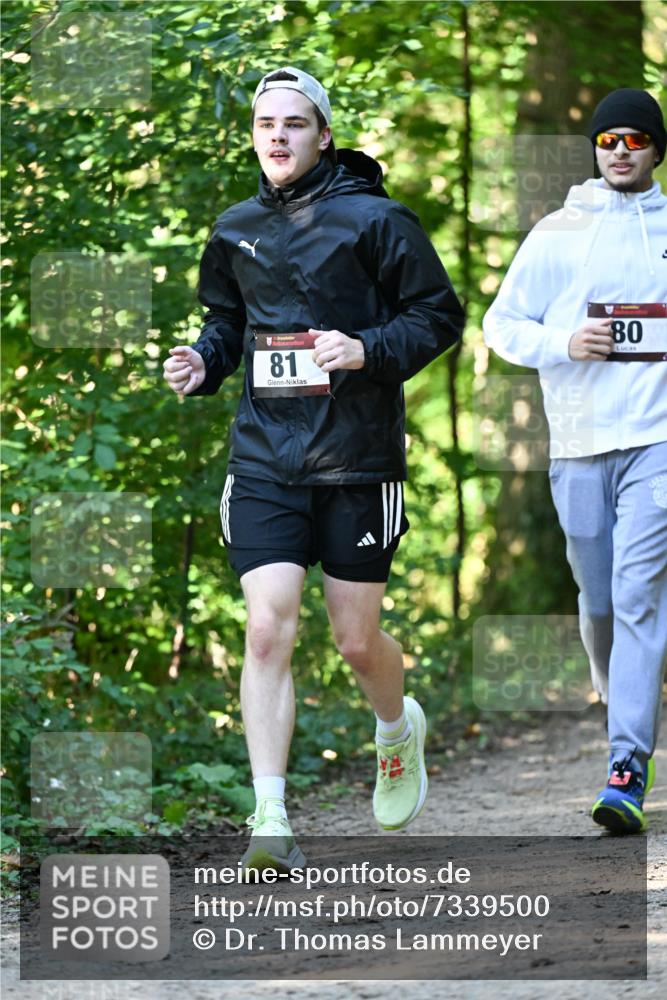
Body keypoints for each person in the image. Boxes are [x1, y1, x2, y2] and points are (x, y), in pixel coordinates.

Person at [163, 67, 464, 869]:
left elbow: (438, 315)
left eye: (295, 123)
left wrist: (367, 349)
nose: (277, 136)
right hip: (265, 453)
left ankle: (396, 731)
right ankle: (269, 818)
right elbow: (227, 322)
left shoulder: (376, 221)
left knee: (355, 639)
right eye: (265, 123)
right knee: (266, 627)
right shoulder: (233, 228)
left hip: (358, 458)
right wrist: (203, 359)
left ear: (323, 134)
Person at [483, 88, 667, 834]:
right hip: (580, 443)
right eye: (606, 138)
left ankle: (625, 767)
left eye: (634, 138)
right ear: (594, 148)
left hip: (657, 442)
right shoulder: (558, 231)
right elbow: (500, 323)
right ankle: (614, 682)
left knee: (637, 598)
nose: (619, 149)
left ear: (656, 150)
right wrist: (562, 343)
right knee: (598, 606)